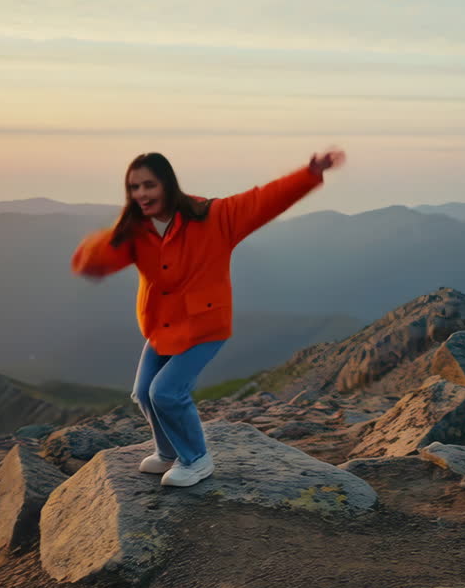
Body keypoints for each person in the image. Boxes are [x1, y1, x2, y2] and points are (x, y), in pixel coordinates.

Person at [71, 149, 345, 487]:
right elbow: (103, 259)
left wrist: (309, 173)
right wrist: (92, 254)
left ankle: (197, 459)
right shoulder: (136, 229)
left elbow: (265, 200)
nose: (141, 194)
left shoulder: (214, 216)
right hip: (161, 327)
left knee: (166, 393)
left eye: (149, 185)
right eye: (134, 187)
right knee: (144, 392)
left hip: (204, 327)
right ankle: (169, 451)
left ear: (168, 185)